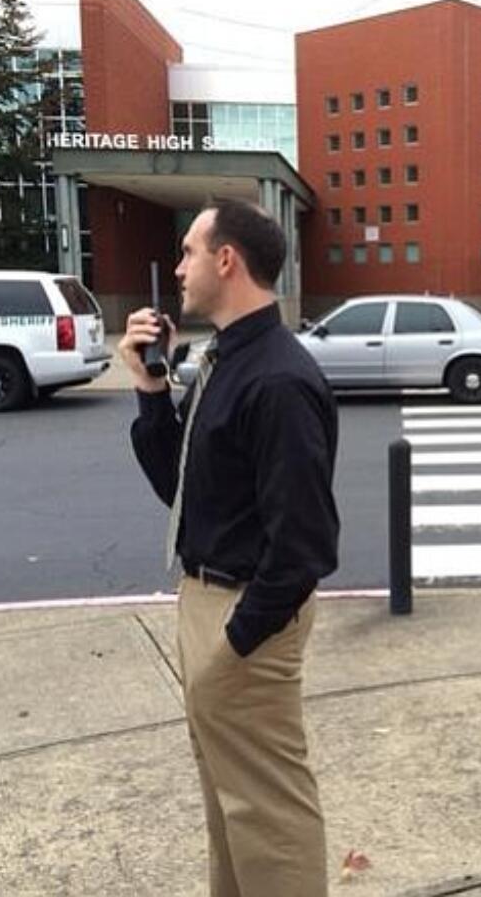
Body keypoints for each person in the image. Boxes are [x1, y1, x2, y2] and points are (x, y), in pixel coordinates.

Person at [119, 197, 340, 896]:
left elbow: (304, 544)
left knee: (269, 813)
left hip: (248, 615)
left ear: (225, 259)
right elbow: (180, 492)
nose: (178, 268)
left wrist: (237, 642)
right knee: (227, 802)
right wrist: (151, 385)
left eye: (187, 251)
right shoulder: (224, 362)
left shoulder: (276, 379)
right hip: (204, 599)